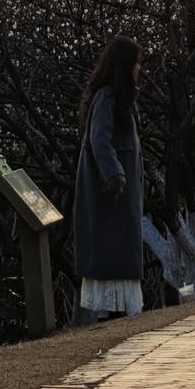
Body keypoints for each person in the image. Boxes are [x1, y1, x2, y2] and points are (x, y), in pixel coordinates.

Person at [74, 35, 145, 321]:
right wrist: (115, 174)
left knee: (119, 251)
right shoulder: (107, 97)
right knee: (113, 253)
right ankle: (110, 314)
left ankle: (114, 313)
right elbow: (98, 139)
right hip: (111, 192)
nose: (139, 70)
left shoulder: (119, 98)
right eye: (136, 64)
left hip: (119, 191)